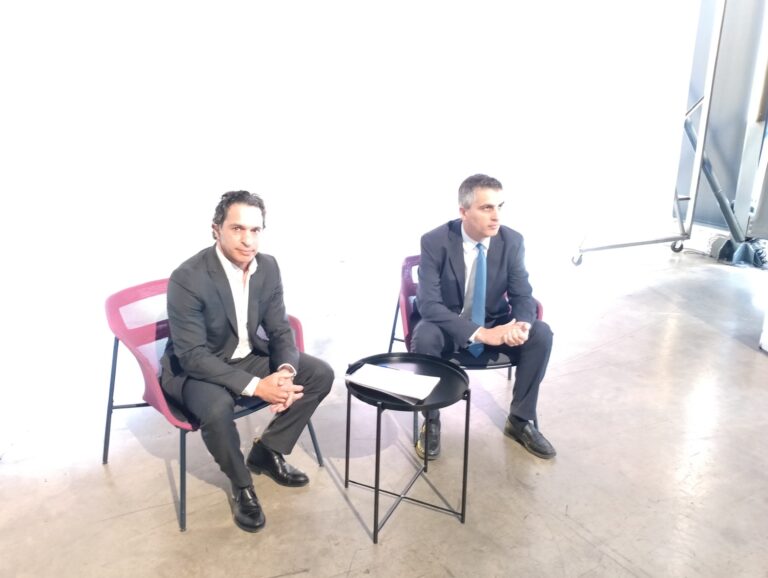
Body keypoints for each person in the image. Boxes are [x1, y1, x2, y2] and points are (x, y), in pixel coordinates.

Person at [160, 190, 334, 533]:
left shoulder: (267, 267)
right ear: (216, 230)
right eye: (238, 228)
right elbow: (192, 356)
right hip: (196, 369)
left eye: (255, 230)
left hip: (244, 356)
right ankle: (242, 485)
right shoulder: (188, 277)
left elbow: (279, 329)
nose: (248, 240)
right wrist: (258, 387)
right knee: (216, 408)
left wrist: (284, 372)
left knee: (319, 374)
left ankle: (268, 451)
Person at [411, 174, 555, 461]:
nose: (496, 216)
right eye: (487, 208)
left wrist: (521, 325)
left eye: (500, 206)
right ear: (464, 211)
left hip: (494, 322)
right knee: (425, 335)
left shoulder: (512, 241)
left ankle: (520, 419)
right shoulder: (435, 241)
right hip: (449, 327)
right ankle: (432, 419)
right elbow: (428, 304)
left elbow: (523, 295)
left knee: (541, 333)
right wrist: (480, 333)